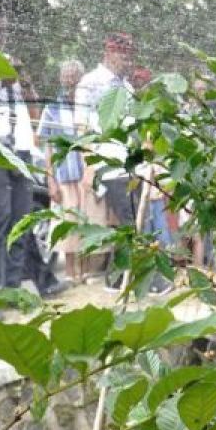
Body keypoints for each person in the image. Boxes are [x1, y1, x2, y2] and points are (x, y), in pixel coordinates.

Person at [0, 0, 63, 298]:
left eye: (1, 27)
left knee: (21, 223)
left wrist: (26, 84)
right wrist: (1, 80)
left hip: (20, 150)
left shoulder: (10, 58)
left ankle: (12, 291)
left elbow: (29, 107)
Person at [75, 32, 136, 278]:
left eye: (129, 56)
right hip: (108, 163)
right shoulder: (91, 82)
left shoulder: (128, 87)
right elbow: (82, 127)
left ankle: (118, 276)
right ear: (109, 53)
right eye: (123, 55)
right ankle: (122, 275)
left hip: (130, 163)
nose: (127, 61)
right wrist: (88, 165)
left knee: (128, 223)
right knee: (126, 221)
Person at [38, 60, 91, 282]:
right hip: (64, 176)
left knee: (87, 223)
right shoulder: (52, 109)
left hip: (86, 174)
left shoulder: (87, 106)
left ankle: (87, 272)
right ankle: (70, 274)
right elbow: (47, 148)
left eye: (75, 76)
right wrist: (51, 181)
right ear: (61, 79)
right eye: (67, 76)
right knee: (66, 224)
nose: (70, 80)